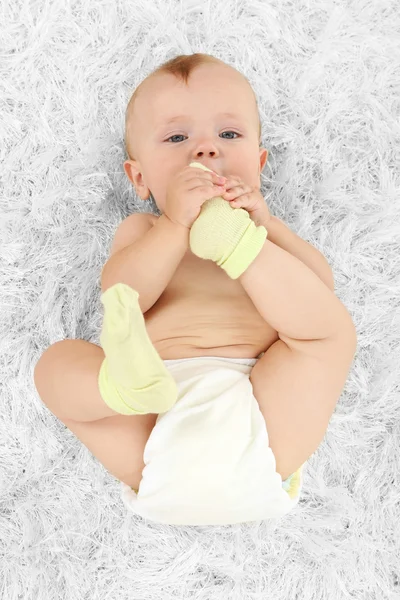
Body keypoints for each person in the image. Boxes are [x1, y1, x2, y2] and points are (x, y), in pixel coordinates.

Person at [34, 53, 357, 526]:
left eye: (229, 135)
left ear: (259, 164)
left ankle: (234, 249)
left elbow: (318, 291)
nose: (206, 150)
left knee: (329, 332)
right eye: (176, 138)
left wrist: (261, 227)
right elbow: (122, 295)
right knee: (55, 367)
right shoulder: (144, 229)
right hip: (154, 411)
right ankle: (117, 389)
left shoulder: (265, 229)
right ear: (139, 178)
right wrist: (173, 227)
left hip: (262, 406)